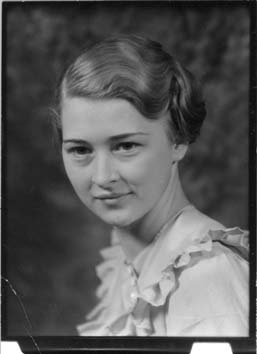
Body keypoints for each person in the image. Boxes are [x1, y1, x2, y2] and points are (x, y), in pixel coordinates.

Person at [54, 35, 249, 336]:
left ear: (178, 140)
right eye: (80, 150)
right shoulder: (127, 261)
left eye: (126, 146)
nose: (103, 177)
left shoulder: (207, 279)